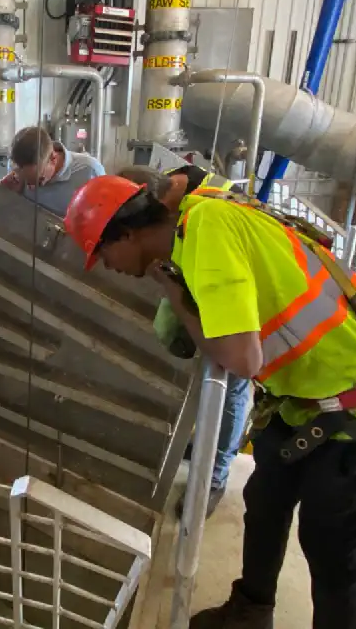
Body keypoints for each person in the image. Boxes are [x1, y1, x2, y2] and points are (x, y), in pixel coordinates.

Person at [64, 176, 356, 629]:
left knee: (330, 543)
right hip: (299, 397)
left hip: (355, 398)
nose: (106, 266)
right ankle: (252, 608)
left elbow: (240, 358)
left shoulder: (208, 230)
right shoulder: (193, 225)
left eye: (102, 253)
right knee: (265, 503)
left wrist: (172, 292)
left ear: (127, 234)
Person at [117, 164, 244, 517]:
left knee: (230, 387)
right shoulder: (178, 196)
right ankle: (204, 444)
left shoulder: (210, 211)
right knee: (210, 381)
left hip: (245, 319)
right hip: (212, 299)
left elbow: (241, 353)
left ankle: (213, 478)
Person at [0, 126, 104, 216]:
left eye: (39, 181)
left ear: (53, 158)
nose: (32, 188)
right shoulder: (15, 167)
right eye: (27, 182)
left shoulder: (89, 171)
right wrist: (5, 193)